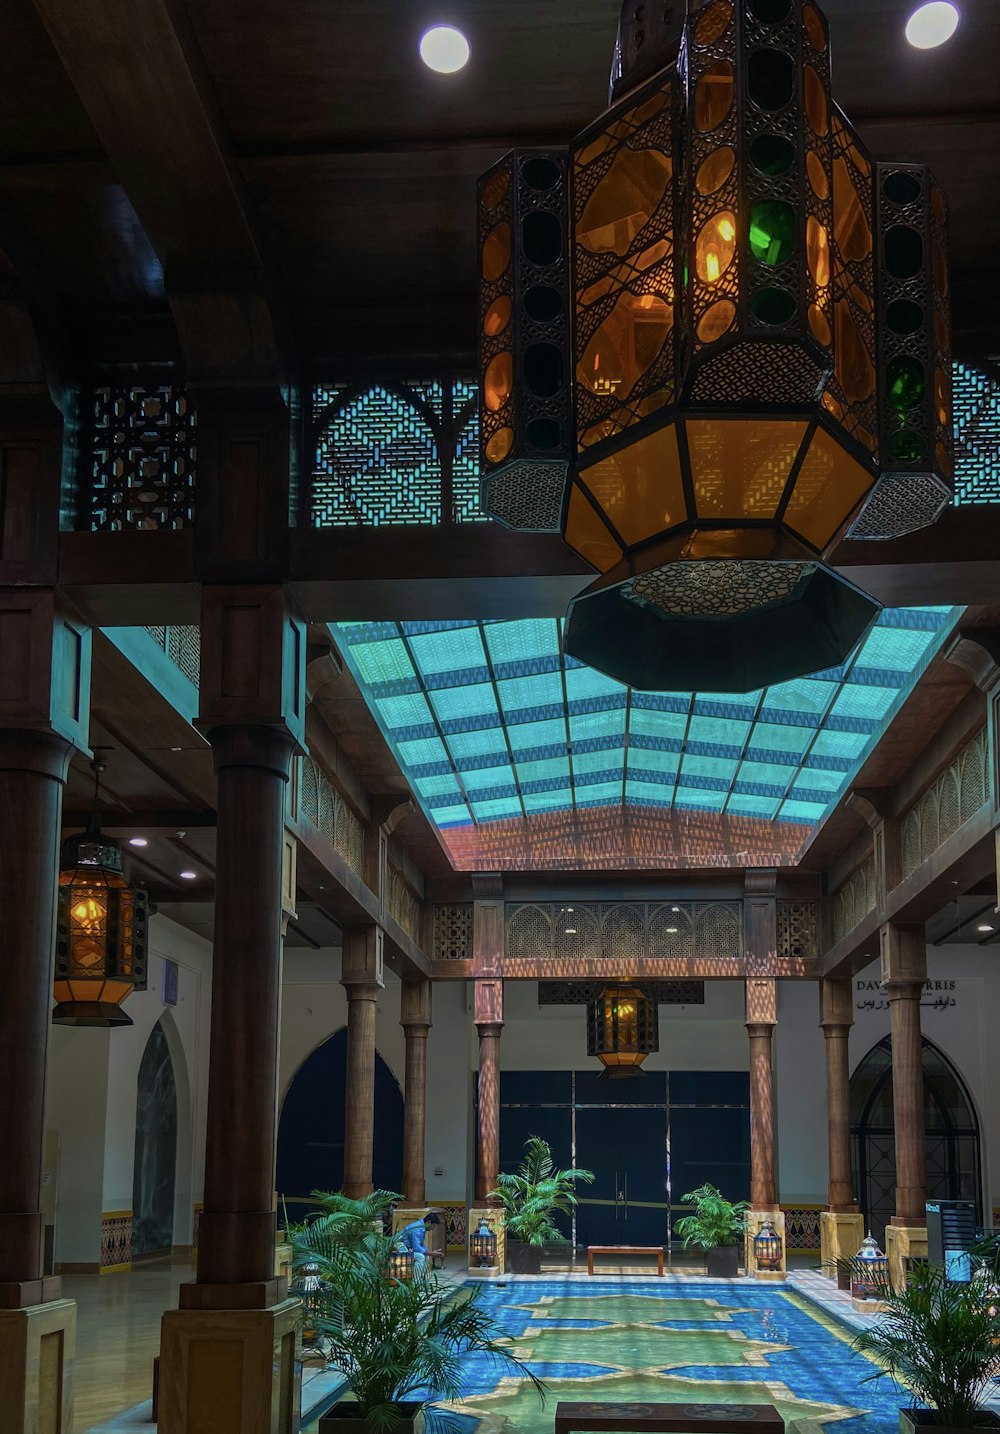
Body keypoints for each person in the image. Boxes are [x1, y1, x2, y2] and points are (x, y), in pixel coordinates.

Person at [398, 1211, 440, 1275]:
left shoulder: (421, 1227)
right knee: (420, 1257)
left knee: (425, 1255)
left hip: (408, 1249)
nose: (433, 1229)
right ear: (429, 1222)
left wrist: (431, 1252)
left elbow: (421, 1245)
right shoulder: (417, 1229)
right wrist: (432, 1253)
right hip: (399, 1249)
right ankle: (417, 1282)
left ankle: (420, 1279)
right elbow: (416, 1247)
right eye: (433, 1226)